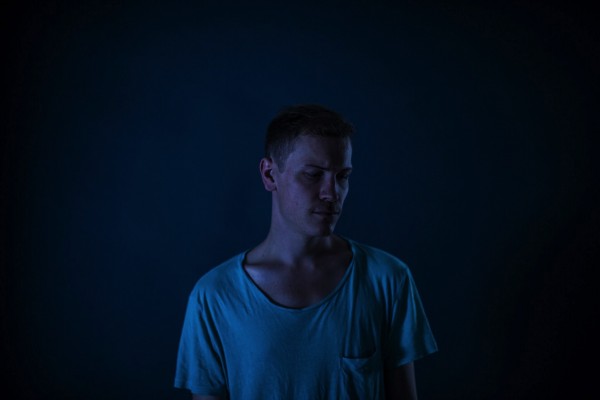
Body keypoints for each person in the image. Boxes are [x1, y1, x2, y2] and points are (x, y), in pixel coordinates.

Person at [174, 104, 437, 399]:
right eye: (313, 175)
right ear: (269, 174)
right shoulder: (214, 297)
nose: (332, 193)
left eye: (342, 176)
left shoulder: (387, 279)